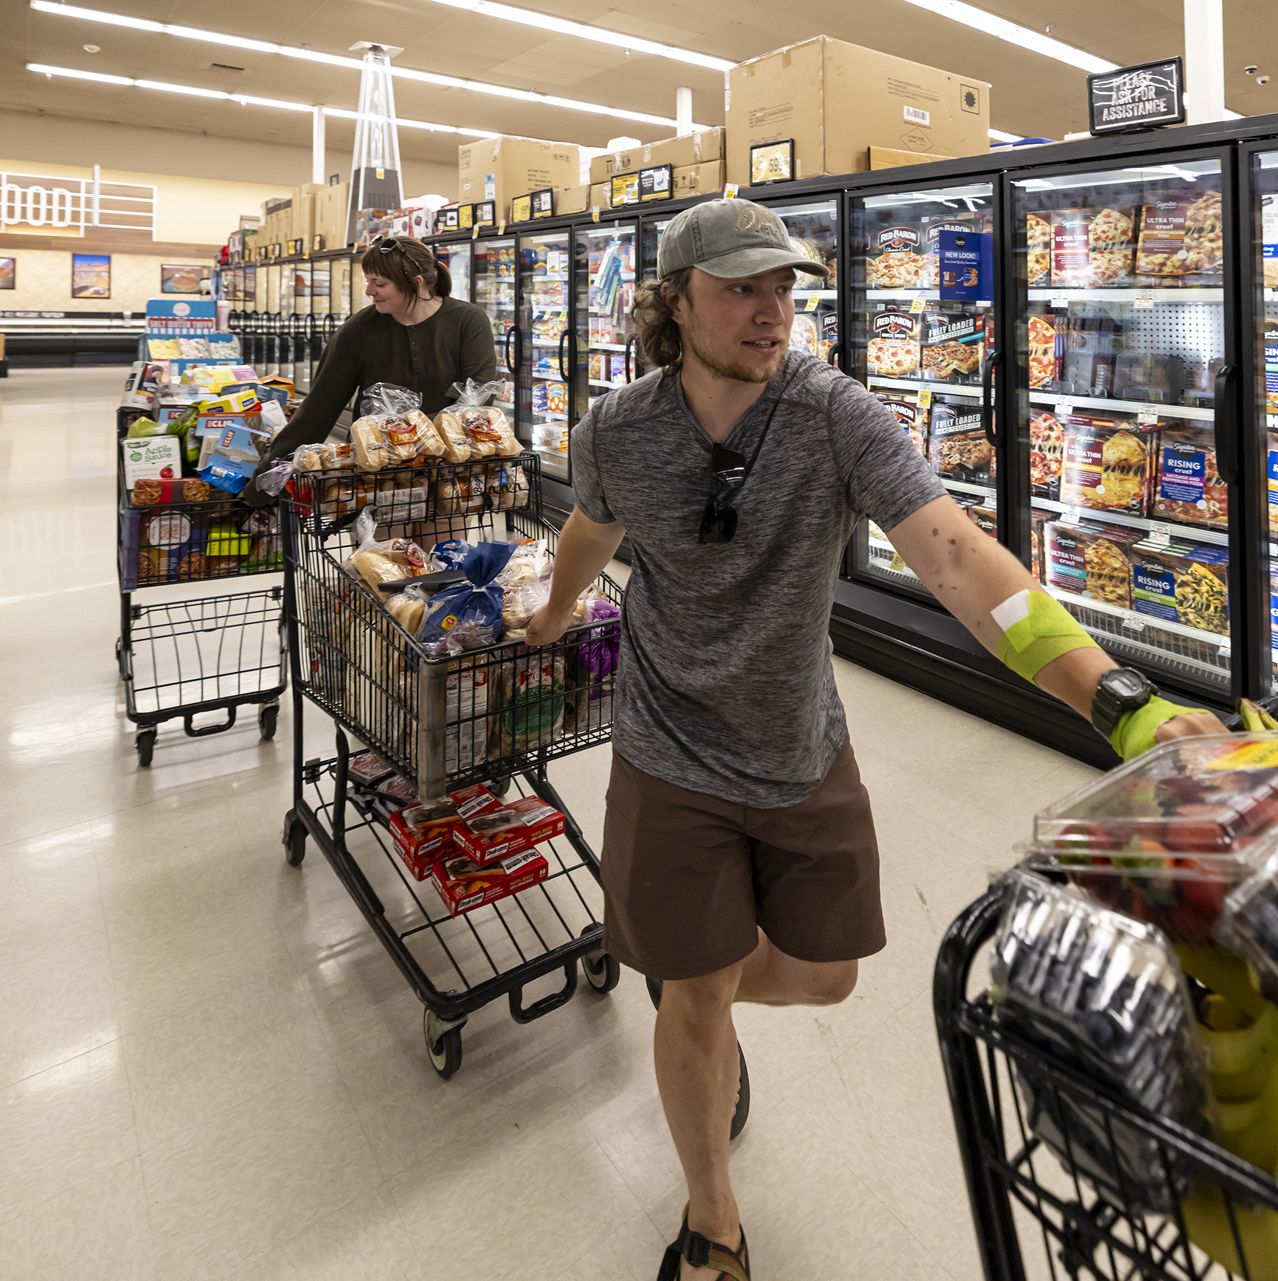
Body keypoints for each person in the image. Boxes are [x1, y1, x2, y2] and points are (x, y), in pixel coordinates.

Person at [523, 198, 1223, 1281]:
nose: (770, 314)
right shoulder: (619, 429)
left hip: (801, 739)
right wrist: (556, 615)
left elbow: (954, 556)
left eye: (783, 290)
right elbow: (591, 529)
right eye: (741, 289)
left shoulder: (835, 413)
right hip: (665, 746)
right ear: (675, 304)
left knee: (825, 974)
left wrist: (1117, 698)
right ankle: (714, 1220)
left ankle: (688, 983)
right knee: (702, 991)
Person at [263, 237, 499, 459]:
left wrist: (408, 436)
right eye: (368, 281)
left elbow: (478, 399)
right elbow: (317, 411)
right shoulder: (359, 329)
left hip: (453, 462)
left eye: (380, 283)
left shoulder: (468, 321)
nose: (369, 291)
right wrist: (264, 481)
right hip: (375, 463)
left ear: (416, 284)